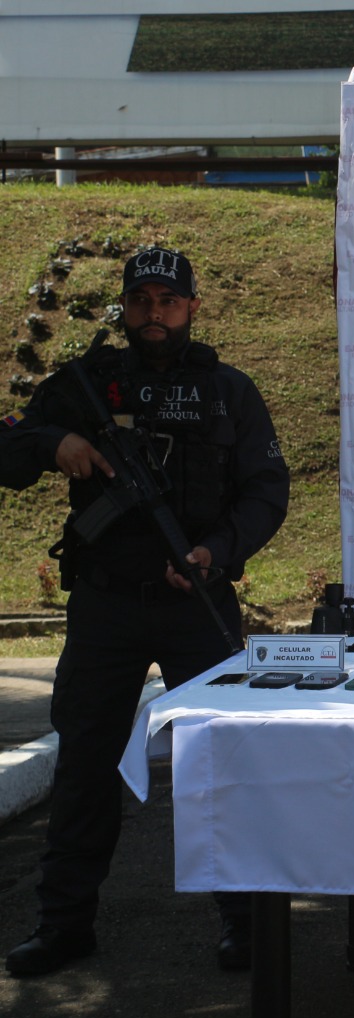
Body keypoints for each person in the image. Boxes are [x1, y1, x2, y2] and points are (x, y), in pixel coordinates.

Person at [1, 248, 289, 977]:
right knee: (85, 762)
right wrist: (54, 441)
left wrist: (214, 552)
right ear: (124, 307)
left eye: (167, 301)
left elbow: (266, 490)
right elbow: (7, 449)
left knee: (221, 760)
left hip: (198, 602)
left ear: (192, 308)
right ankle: (64, 923)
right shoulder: (86, 383)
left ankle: (244, 920)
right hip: (106, 607)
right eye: (141, 301)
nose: (153, 313)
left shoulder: (228, 392)